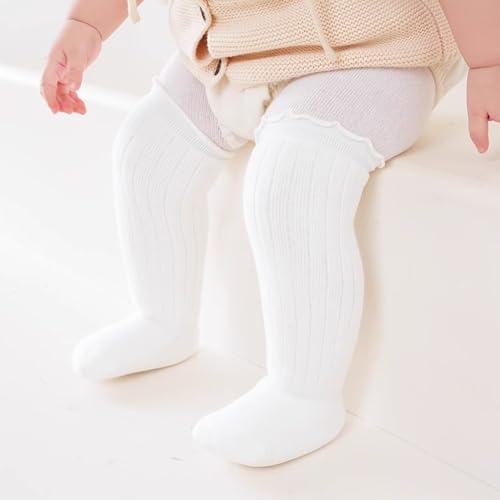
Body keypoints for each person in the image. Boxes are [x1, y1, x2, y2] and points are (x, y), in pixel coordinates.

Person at [39, 0, 499, 467]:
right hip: (229, 47)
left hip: (370, 49)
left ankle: (304, 393)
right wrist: (86, 23)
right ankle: (162, 319)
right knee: (148, 147)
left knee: (290, 182)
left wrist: (489, 59)